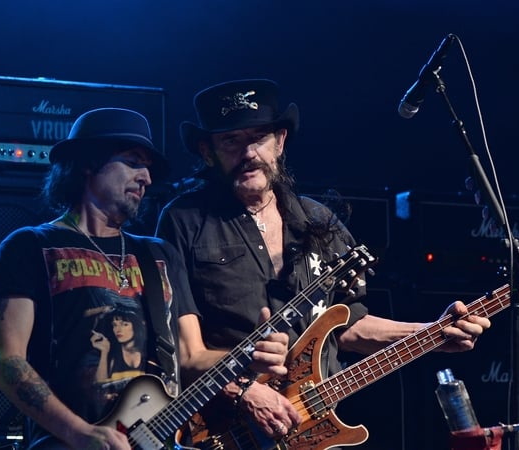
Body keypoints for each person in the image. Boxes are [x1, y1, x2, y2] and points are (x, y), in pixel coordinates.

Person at [155, 79, 492, 445]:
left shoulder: (318, 221)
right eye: (231, 140)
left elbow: (347, 326)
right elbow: (185, 355)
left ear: (280, 141)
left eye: (259, 137)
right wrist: (242, 391)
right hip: (226, 432)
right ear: (208, 152)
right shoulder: (182, 221)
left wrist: (432, 333)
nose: (248, 152)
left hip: (312, 431)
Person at [0, 107, 298, 450]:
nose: (146, 177)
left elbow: (190, 357)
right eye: (133, 162)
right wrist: (80, 433)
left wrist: (246, 355)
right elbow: (6, 362)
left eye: (148, 168)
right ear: (87, 163)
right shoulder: (30, 246)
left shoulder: (158, 255)